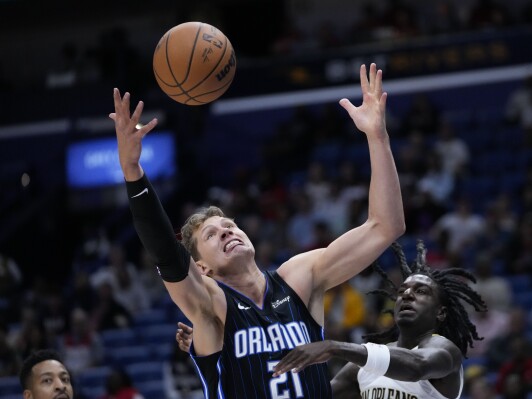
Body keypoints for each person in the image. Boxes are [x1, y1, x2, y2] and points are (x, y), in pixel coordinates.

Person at [109, 63, 406, 398]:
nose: (225, 231)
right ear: (202, 268)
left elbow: (386, 226)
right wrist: (132, 170)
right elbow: (165, 251)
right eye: (211, 235)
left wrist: (377, 136)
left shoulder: (298, 277)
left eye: (229, 225)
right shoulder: (211, 306)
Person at [178, 241, 487, 399]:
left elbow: (416, 367)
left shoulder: (445, 351)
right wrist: (222, 348)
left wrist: (334, 347)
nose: (407, 295)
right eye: (403, 290)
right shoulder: (362, 368)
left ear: (441, 312)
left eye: (420, 292)